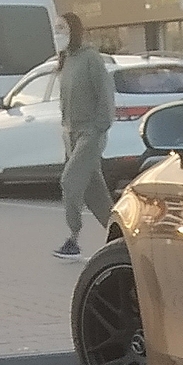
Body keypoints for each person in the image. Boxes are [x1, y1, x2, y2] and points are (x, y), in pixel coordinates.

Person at [53, 13, 116, 260]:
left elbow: (104, 93)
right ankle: (120, 235)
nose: (58, 33)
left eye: (62, 28)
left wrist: (101, 125)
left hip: (91, 133)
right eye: (56, 28)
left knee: (70, 181)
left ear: (74, 30)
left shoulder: (91, 59)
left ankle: (73, 238)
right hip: (72, 133)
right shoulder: (66, 60)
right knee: (94, 191)